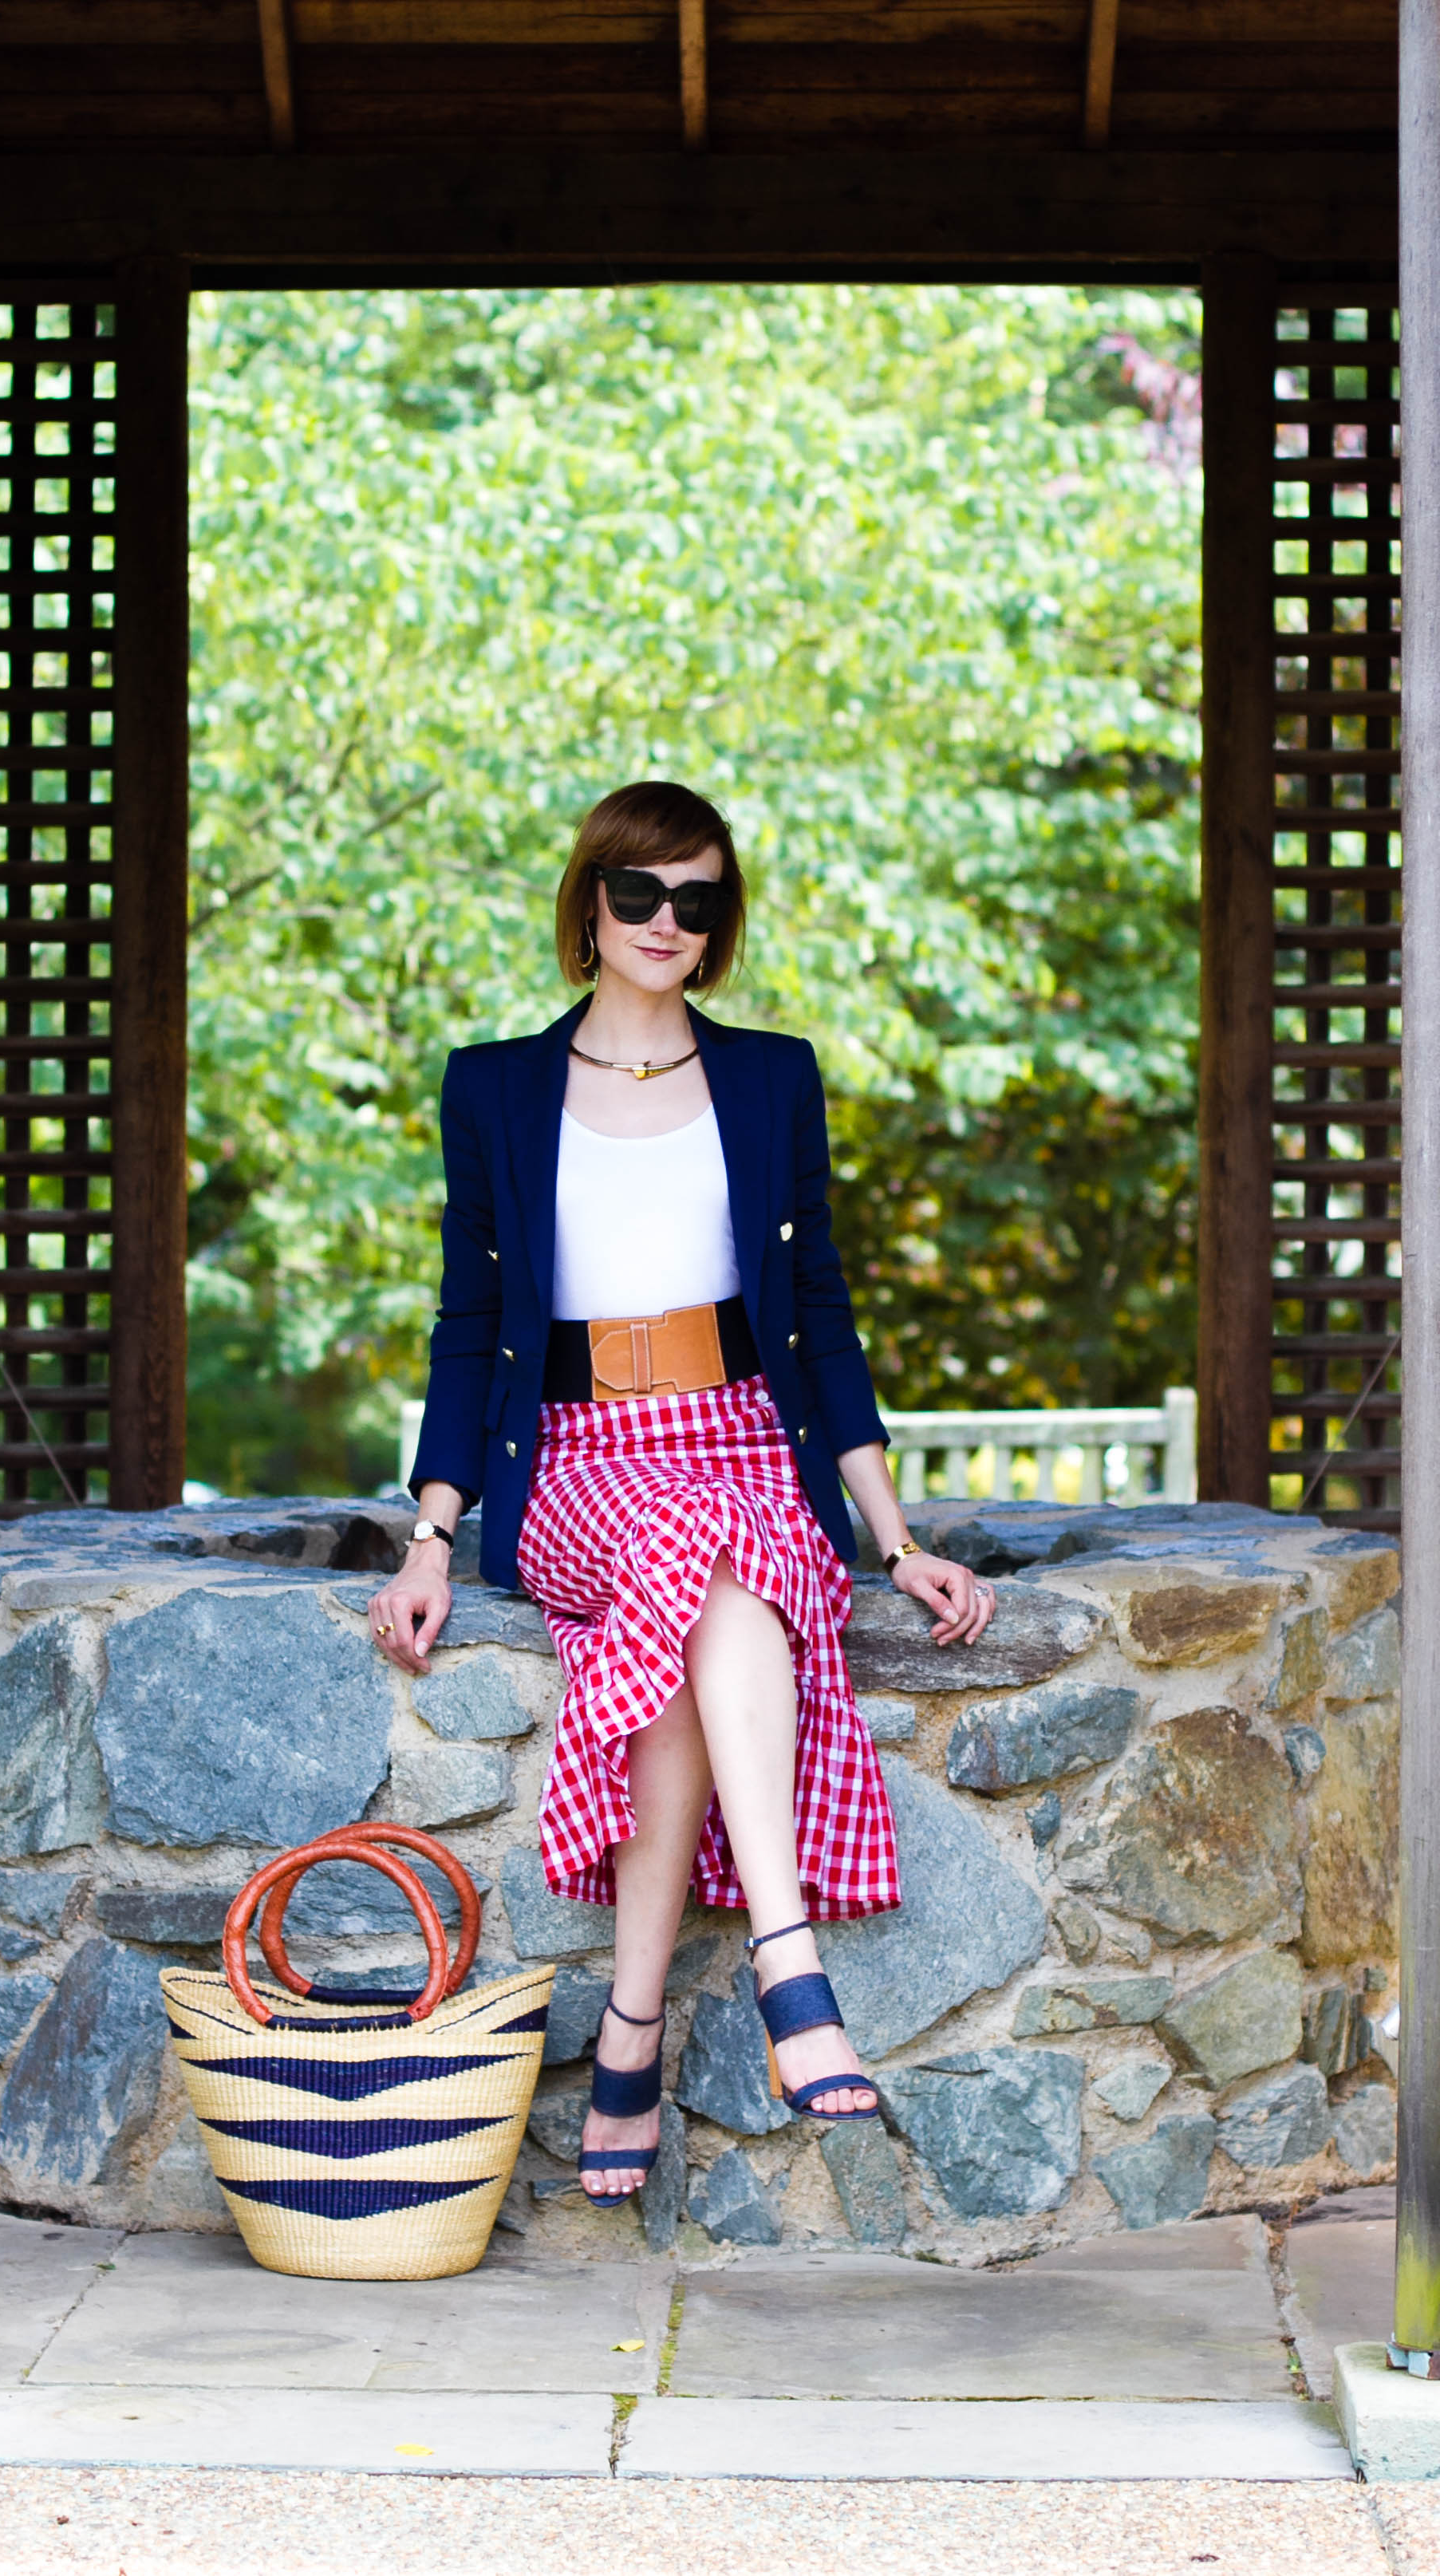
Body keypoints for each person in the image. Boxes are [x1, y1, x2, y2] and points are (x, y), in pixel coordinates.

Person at [366, 779, 994, 2204]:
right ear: (589, 903)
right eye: (639, 893)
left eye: (695, 900)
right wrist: (430, 1537)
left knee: (709, 1591)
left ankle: (632, 2028)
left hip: (740, 1439)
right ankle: (790, 1965)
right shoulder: (496, 1086)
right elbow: (470, 1326)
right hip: (583, 1453)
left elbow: (818, 1319)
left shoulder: (771, 1077)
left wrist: (895, 1540)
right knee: (699, 1567)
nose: (665, 921)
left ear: (718, 926)